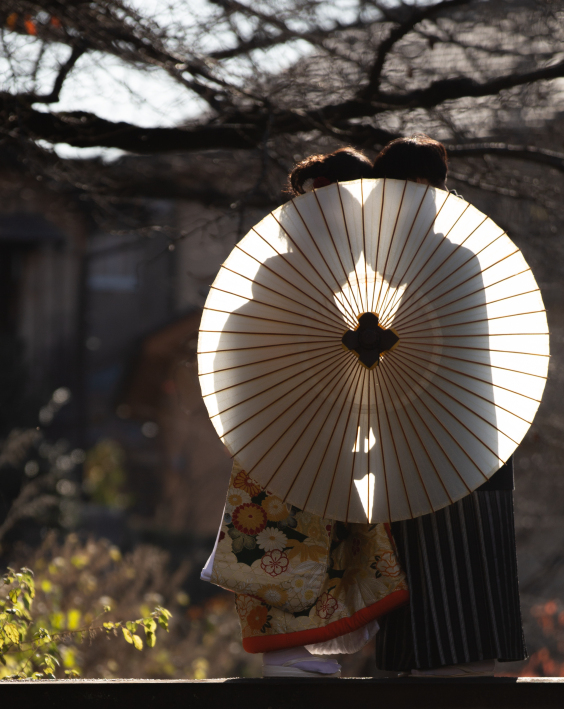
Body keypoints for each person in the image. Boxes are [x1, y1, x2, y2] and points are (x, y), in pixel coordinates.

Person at [202, 148, 410, 678]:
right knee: (285, 534)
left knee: (324, 536)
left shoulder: (350, 270)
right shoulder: (302, 271)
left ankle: (298, 652)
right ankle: (287, 653)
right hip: (287, 418)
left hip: (313, 416)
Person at [371, 136, 526, 677]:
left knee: (428, 544)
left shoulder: (384, 262)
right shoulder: (457, 255)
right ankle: (456, 667)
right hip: (466, 418)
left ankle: (432, 669)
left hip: (426, 417)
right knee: (445, 547)